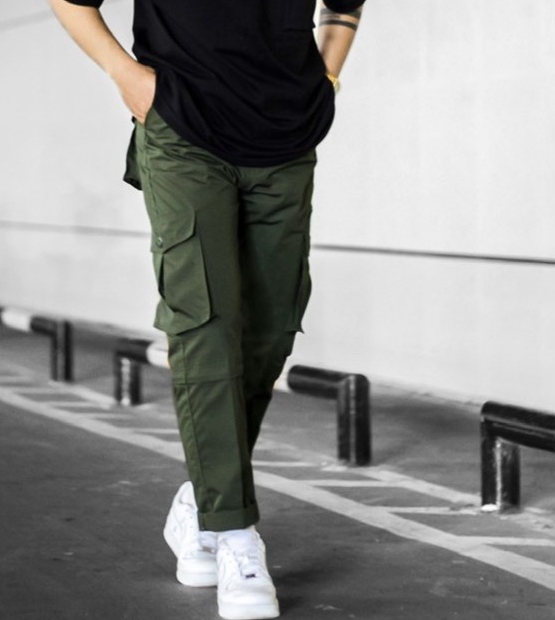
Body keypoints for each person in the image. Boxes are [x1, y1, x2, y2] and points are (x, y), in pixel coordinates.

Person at [49, 1, 365, 618]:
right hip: (184, 129)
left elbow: (346, 5)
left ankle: (201, 500)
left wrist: (326, 77)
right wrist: (126, 75)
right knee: (206, 324)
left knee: (272, 326)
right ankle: (235, 533)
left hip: (286, 136)